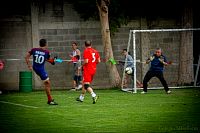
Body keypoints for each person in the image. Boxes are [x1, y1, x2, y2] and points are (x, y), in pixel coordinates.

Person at [25, 39, 58, 105]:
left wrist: (29, 66)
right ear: (45, 44)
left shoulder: (34, 50)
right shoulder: (47, 52)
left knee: (47, 83)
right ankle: (50, 100)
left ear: (39, 44)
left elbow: (26, 57)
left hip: (35, 68)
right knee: (47, 83)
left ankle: (50, 99)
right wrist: (53, 61)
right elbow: (48, 59)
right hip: (40, 69)